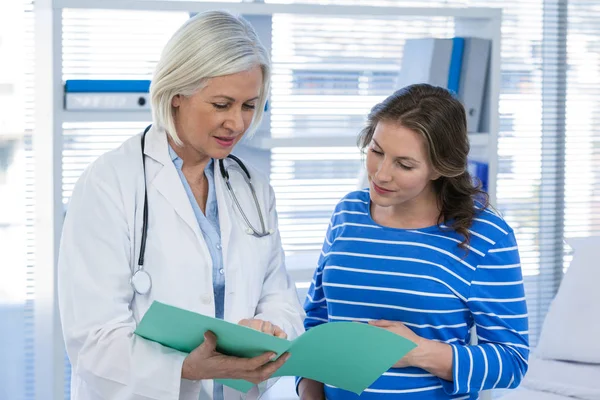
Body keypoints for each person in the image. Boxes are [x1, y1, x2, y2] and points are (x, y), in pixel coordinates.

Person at [58, 11, 305, 400]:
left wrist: (270, 329)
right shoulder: (109, 184)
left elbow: (280, 297)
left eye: (249, 105)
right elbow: (93, 338)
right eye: (222, 104)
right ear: (177, 94)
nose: (238, 123)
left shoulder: (252, 189)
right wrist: (186, 367)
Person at [297, 84, 529, 399]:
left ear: (439, 167)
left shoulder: (485, 236)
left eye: (404, 164)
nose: (380, 174)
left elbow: (512, 361)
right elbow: (317, 321)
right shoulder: (348, 213)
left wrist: (417, 351)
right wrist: (309, 391)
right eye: (376, 151)